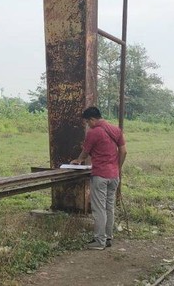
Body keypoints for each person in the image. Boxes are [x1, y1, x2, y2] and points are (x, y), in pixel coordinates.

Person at [71, 106, 127, 250]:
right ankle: (108, 237)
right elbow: (124, 151)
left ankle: (99, 241)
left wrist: (78, 160)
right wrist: (117, 167)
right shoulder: (116, 130)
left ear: (92, 119)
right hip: (114, 175)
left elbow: (85, 152)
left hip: (100, 175)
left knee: (99, 209)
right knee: (109, 207)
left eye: (87, 122)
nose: (88, 125)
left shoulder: (93, 132)